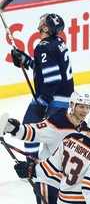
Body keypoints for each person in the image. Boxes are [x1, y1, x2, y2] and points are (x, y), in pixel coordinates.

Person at [4, 90, 90, 204]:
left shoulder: (85, 129)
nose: (85, 111)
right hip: (48, 180)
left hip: (67, 184)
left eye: (87, 107)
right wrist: (14, 129)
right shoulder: (58, 122)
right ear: (72, 105)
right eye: (81, 106)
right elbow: (34, 131)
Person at [11, 13, 74, 162]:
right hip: (62, 96)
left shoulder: (43, 47)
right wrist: (26, 61)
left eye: (44, 21)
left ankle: (32, 165)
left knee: (31, 129)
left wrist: (43, 100)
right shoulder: (57, 42)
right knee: (46, 131)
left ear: (46, 28)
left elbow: (53, 78)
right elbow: (44, 69)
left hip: (52, 97)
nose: (41, 21)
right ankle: (46, 165)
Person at [13, 109, 90, 204]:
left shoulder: (70, 138)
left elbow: (51, 166)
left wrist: (31, 170)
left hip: (62, 199)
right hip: (80, 201)